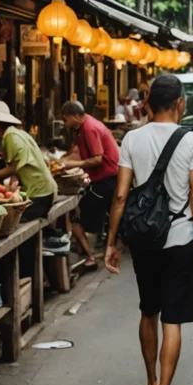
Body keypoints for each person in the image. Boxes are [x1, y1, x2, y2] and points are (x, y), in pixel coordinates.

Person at [104, 74, 193, 385]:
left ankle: (151, 384)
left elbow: (121, 195)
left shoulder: (132, 138)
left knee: (148, 310)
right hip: (179, 240)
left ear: (149, 102)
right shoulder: (192, 141)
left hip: (144, 241)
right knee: (173, 319)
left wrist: (111, 242)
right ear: (180, 103)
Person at [0, 101, 56, 221]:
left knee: (4, 218)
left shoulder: (11, 136)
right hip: (45, 193)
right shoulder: (18, 133)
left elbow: (13, 168)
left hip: (39, 197)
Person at [60, 100, 120, 270]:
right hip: (104, 178)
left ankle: (90, 257)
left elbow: (97, 159)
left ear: (77, 116)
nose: (65, 123)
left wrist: (71, 165)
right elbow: (76, 152)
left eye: (66, 119)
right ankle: (90, 248)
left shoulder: (89, 128)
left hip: (105, 179)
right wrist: (62, 161)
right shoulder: (82, 128)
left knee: (76, 221)